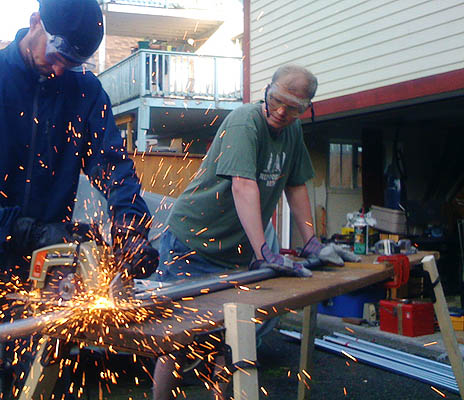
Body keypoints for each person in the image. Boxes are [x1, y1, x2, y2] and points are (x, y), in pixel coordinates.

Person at [0, 1, 158, 398]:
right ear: (35, 22)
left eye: (73, 63)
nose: (61, 69)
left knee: (37, 388)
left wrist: (131, 226)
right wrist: (34, 232)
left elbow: (113, 166)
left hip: (38, 276)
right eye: (58, 55)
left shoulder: (85, 92)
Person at [152, 64, 359, 399]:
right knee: (179, 338)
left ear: (305, 108)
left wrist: (312, 244)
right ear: (267, 90)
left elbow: (297, 187)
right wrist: (265, 251)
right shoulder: (244, 121)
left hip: (235, 252)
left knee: (232, 340)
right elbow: (243, 186)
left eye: (293, 108)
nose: (281, 111)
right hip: (192, 242)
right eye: (277, 100)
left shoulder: (291, 133)